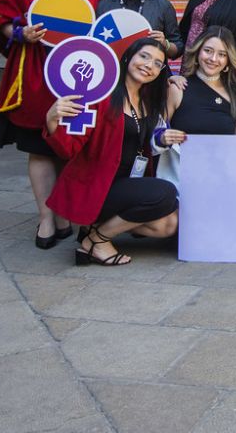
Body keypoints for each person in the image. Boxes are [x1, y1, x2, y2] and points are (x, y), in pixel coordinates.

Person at [0, 0, 110, 249]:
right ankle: (45, 216)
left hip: (78, 76)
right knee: (39, 147)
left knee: (68, 146)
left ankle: (62, 213)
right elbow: (0, 17)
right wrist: (20, 33)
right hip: (35, 74)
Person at [44, 38, 183, 266]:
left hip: (128, 184)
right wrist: (51, 119)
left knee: (168, 225)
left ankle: (94, 232)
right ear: (128, 57)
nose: (149, 65)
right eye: (144, 56)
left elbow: (147, 138)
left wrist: (161, 137)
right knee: (165, 192)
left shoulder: (148, 99)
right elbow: (68, 149)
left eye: (158, 63)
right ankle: (99, 241)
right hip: (98, 186)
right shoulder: (102, 97)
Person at [159, 27, 236, 184]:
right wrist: (161, 137)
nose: (213, 59)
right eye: (208, 50)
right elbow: (157, 133)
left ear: (228, 60)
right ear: (198, 52)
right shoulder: (178, 88)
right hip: (179, 181)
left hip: (222, 182)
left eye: (222, 54)